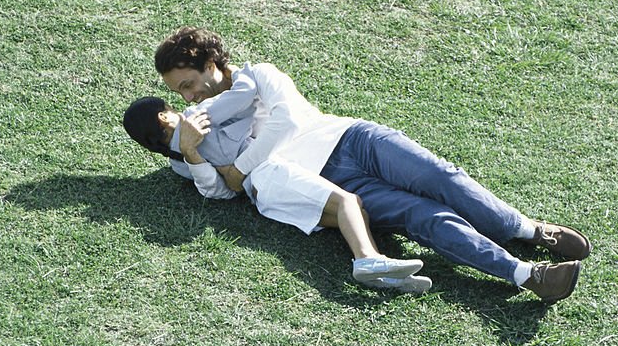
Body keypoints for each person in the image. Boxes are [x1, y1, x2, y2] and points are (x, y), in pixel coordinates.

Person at [150, 26, 591, 304]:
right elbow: (223, 189)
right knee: (424, 217)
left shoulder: (260, 74)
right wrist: (197, 153)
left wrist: (241, 167)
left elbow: (286, 122)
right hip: (328, 179)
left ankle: (529, 231)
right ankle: (526, 274)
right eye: (180, 91)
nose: (188, 97)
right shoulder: (198, 123)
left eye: (189, 84)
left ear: (211, 64)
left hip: (352, 138)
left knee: (440, 177)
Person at [122, 94, 430, 293]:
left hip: (263, 196)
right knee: (348, 201)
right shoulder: (195, 123)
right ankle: (368, 261)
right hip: (269, 175)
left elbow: (218, 192)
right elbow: (243, 99)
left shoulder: (181, 164)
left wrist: (193, 155)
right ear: (164, 116)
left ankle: (381, 274)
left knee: (355, 210)